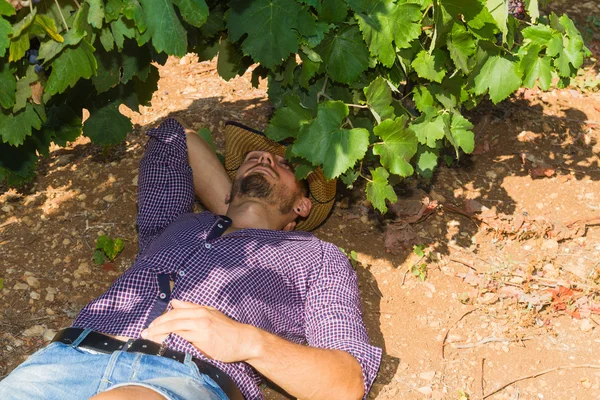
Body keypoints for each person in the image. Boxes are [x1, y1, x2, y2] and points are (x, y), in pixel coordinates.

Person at [0, 118, 382, 400]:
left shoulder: (316, 257)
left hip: (178, 380)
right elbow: (175, 137)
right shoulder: (175, 225)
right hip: (64, 362)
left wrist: (250, 343)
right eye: (254, 156)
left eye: (285, 164)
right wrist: (234, 208)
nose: (265, 155)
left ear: (303, 205)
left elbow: (346, 385)